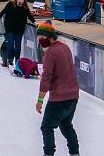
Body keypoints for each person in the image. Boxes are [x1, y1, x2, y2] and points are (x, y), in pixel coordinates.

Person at [35, 22, 80, 156]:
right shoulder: (65, 48)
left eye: (42, 38)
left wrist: (40, 100)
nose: (40, 42)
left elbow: (46, 79)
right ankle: (75, 153)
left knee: (47, 127)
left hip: (59, 98)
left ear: (49, 36)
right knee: (66, 125)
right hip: (73, 96)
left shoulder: (50, 54)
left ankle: (48, 154)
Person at [0, 0, 35, 67]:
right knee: (11, 45)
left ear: (24, 2)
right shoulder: (10, 4)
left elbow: (30, 17)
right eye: (19, 2)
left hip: (19, 30)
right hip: (10, 29)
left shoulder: (25, 9)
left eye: (21, 3)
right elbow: (3, 12)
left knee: (18, 46)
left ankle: (17, 61)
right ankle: (10, 60)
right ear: (16, 0)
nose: (20, 4)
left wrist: (35, 22)